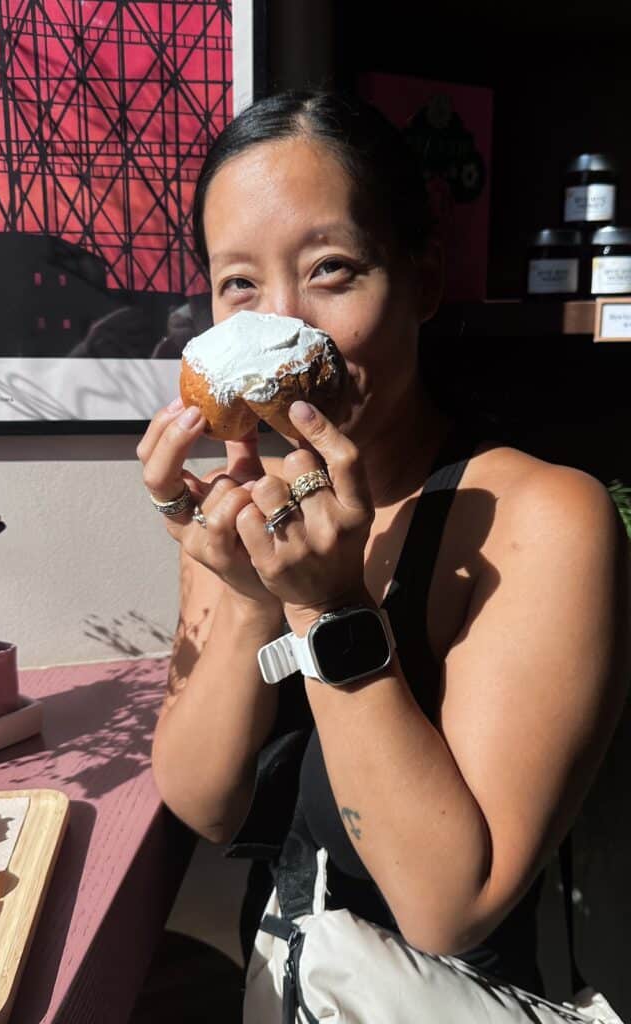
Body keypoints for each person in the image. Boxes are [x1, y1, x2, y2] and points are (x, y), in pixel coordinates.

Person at [136, 91, 630, 1011]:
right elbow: (205, 803)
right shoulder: (252, 513)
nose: (281, 329)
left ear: (424, 278)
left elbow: (451, 907)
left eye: (331, 269)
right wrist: (249, 590)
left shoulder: (544, 517)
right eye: (239, 285)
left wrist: (329, 614)